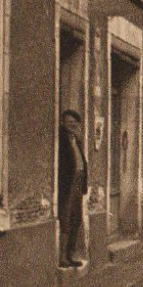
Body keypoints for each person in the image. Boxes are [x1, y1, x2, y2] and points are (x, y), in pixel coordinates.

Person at [57, 109, 88, 267]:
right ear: (62, 123)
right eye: (69, 123)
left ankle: (71, 255)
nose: (72, 126)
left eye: (74, 124)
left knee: (76, 220)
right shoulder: (61, 141)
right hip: (67, 186)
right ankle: (62, 257)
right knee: (66, 220)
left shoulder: (76, 140)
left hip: (78, 184)